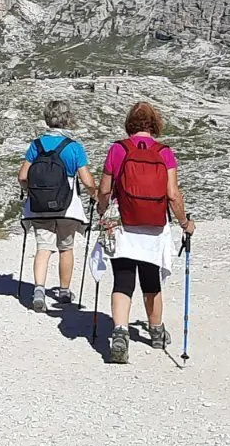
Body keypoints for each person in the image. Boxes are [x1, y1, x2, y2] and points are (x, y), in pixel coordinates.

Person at [94, 101, 195, 364]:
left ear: (130, 123)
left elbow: (104, 190)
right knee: (151, 281)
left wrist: (102, 211)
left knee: (123, 280)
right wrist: (185, 223)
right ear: (155, 124)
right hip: (154, 226)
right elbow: (173, 195)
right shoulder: (164, 153)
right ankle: (157, 332)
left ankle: (119, 333)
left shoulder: (118, 149)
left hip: (124, 225)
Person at [16, 99, 99, 313]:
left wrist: (32, 192)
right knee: (66, 247)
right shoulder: (74, 148)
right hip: (67, 207)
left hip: (39, 206)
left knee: (43, 247)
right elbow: (88, 181)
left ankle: (38, 291)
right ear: (68, 119)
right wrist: (95, 194)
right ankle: (63, 291)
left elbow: (23, 176)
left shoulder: (36, 146)